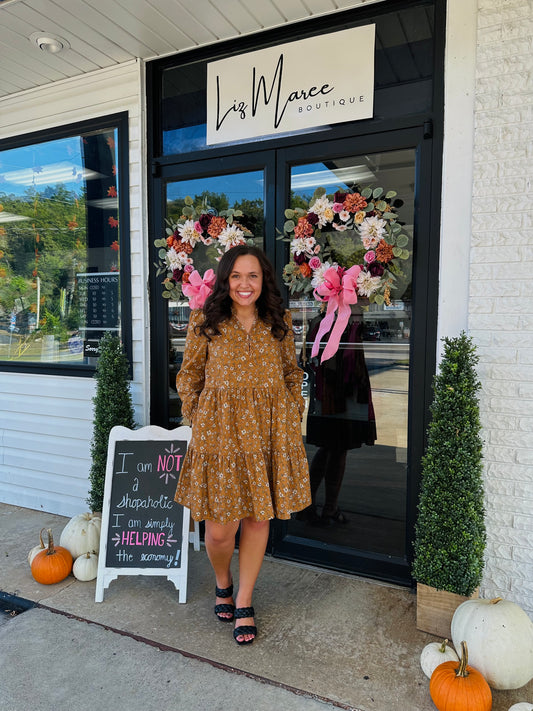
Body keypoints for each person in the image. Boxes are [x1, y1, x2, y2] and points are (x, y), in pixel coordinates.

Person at [174, 245, 311, 645]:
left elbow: (291, 371)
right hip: (220, 436)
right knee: (219, 532)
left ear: (263, 279)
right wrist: (199, 416)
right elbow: (189, 376)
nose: (244, 284)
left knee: (257, 519)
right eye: (236, 276)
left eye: (252, 276)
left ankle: (245, 600)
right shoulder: (206, 320)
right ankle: (223, 580)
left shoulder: (278, 320)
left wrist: (290, 411)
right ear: (225, 280)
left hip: (268, 433)